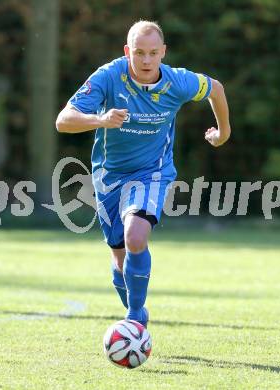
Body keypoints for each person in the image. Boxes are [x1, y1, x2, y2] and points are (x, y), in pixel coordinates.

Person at [56, 20, 231, 328]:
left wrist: (223, 132)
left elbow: (215, 88)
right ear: (127, 52)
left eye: (153, 53)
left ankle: (134, 319)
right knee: (120, 258)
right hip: (109, 177)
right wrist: (100, 119)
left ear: (163, 52)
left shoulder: (178, 82)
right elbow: (63, 120)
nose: (146, 60)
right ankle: (136, 311)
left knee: (136, 236)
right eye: (139, 53)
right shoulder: (109, 76)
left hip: (152, 171)